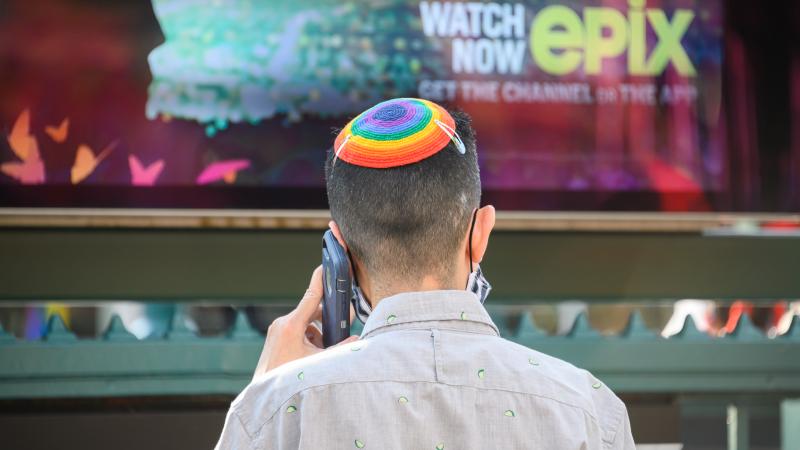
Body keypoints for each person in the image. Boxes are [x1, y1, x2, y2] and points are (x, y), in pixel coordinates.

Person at [216, 98, 636, 449]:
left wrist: (267, 393)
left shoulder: (278, 411)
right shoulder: (591, 413)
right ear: (481, 232)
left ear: (338, 251)